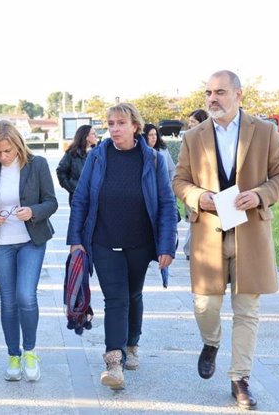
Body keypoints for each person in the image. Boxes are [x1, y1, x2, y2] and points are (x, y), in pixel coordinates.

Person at [173, 70, 279, 410]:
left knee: (247, 311)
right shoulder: (193, 137)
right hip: (208, 235)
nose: (213, 98)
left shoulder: (264, 131)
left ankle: (240, 378)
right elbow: (180, 180)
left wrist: (260, 194)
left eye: (220, 92)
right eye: (209, 92)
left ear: (239, 95)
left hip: (250, 235)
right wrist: (198, 196)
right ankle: (211, 342)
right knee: (204, 305)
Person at [66, 103, 178, 390]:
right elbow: (81, 199)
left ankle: (132, 344)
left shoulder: (152, 160)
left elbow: (167, 203)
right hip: (103, 240)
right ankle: (114, 362)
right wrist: (76, 240)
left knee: (133, 294)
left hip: (139, 242)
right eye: (110, 123)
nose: (114, 129)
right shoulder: (97, 158)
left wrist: (167, 245)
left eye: (120, 123)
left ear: (135, 127)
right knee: (115, 298)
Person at [0, 120, 58, 382]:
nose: (3, 156)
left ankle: (30, 352)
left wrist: (33, 211)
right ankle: (13, 355)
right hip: (1, 243)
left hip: (31, 240)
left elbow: (51, 202)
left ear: (19, 146)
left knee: (25, 296)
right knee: (8, 301)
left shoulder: (38, 164)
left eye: (7, 151)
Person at [183, 109, 209, 260]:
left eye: (193, 122)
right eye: (190, 122)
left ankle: (192, 249)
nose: (190, 125)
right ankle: (190, 250)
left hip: (206, 187)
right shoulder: (189, 139)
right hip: (193, 188)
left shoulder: (208, 139)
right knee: (194, 219)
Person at [56, 125, 97, 205]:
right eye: (93, 134)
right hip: (78, 199)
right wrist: (73, 188)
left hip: (95, 197)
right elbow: (61, 171)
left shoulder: (96, 153)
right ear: (86, 137)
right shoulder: (72, 154)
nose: (96, 136)